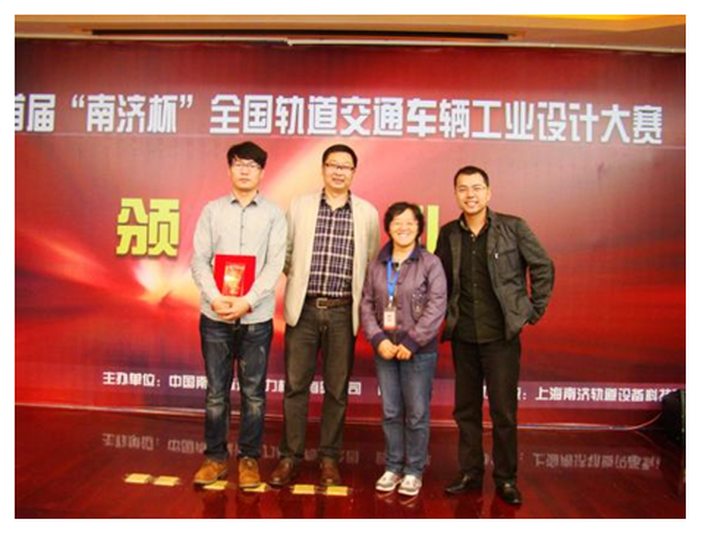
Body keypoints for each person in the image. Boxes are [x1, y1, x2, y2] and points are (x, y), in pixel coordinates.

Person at [435, 165, 554, 505]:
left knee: (503, 412)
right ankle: (470, 473)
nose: (470, 195)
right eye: (463, 188)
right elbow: (440, 280)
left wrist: (532, 310)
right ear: (455, 194)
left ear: (488, 192)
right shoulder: (448, 233)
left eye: (476, 188)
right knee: (466, 411)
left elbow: (543, 266)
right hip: (464, 336)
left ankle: (506, 479)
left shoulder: (513, 227)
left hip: (502, 338)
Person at [269, 144, 381, 488]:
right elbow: (286, 254)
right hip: (304, 309)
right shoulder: (300, 206)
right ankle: (290, 457)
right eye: (333, 165)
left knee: (337, 389)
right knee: (296, 387)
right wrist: (301, 281)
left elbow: (370, 261)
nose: (338, 171)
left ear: (353, 173)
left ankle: (329, 458)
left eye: (345, 167)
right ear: (322, 169)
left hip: (343, 312)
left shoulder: (367, 213)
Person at [191, 141, 286, 488]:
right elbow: (199, 260)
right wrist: (216, 298)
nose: (245, 170)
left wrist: (247, 301)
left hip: (255, 318)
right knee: (216, 393)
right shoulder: (212, 211)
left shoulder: (274, 214)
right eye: (239, 163)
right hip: (214, 316)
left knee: (253, 394)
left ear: (262, 172)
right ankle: (215, 458)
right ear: (229, 168)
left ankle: (249, 459)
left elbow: (274, 265)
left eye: (252, 165)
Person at [361, 202, 447, 497]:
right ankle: (393, 466)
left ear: (419, 227)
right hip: (385, 349)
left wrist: (412, 342)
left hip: (418, 351)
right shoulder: (377, 264)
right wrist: (377, 339)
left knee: (417, 413)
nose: (403, 227)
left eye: (410, 222)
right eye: (397, 222)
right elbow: (366, 305)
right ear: (388, 227)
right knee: (390, 411)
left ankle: (413, 471)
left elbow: (437, 305)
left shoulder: (430, 263)